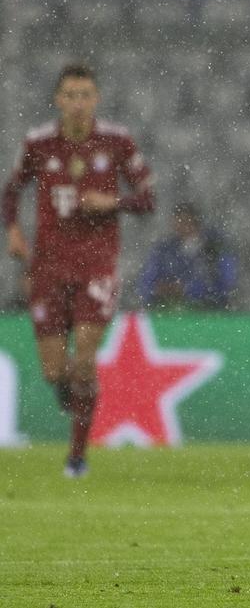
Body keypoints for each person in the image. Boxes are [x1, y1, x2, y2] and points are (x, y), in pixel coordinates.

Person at [2, 63, 155, 478]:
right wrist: (13, 231)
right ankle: (81, 398)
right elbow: (12, 189)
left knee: (84, 361)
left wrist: (113, 203)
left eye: (85, 94)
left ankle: (76, 457)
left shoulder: (117, 142)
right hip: (48, 267)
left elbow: (147, 198)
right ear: (58, 100)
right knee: (55, 372)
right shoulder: (38, 144)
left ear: (96, 99)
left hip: (97, 266)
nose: (78, 103)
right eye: (70, 95)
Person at [138, 202, 237, 309]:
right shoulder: (164, 250)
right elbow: (146, 281)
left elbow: (226, 282)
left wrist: (188, 289)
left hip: (209, 312)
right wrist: (161, 289)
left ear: (196, 222)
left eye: (185, 221)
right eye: (177, 223)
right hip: (168, 312)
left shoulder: (214, 248)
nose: (180, 227)